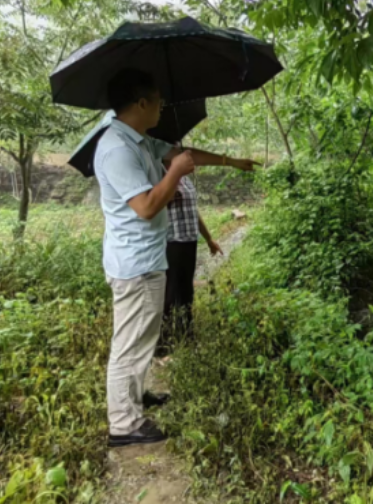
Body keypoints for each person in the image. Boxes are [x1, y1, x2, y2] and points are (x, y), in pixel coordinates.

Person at [93, 68, 259, 447]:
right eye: (158, 102)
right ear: (141, 103)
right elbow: (147, 206)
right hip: (135, 265)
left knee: (144, 337)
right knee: (129, 343)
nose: (161, 108)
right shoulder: (118, 149)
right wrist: (177, 173)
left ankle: (137, 396)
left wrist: (230, 161)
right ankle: (124, 424)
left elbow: (182, 155)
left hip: (149, 260)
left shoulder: (140, 141)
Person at [159, 172, 222, 352]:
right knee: (171, 293)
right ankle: (164, 344)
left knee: (186, 291)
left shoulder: (185, 180)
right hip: (171, 242)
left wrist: (209, 239)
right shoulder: (160, 178)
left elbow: (193, 211)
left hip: (189, 241)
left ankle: (186, 335)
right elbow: (151, 208)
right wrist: (169, 192)